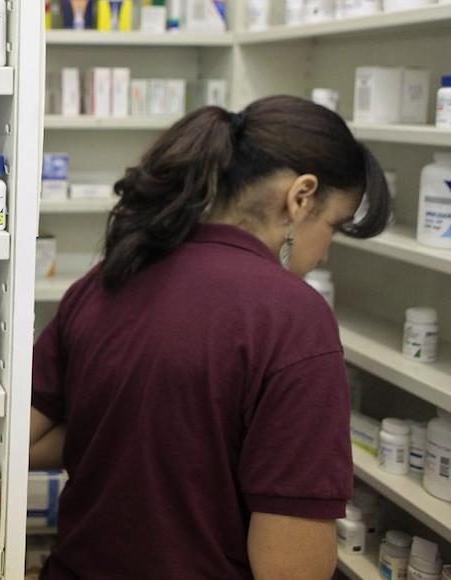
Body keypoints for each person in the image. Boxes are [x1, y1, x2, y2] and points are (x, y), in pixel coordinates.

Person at [29, 95, 391, 579]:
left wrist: (137, 425)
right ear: (300, 197)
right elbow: (288, 570)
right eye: (334, 226)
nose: (325, 252)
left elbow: (24, 443)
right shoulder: (293, 316)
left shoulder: (105, 280)